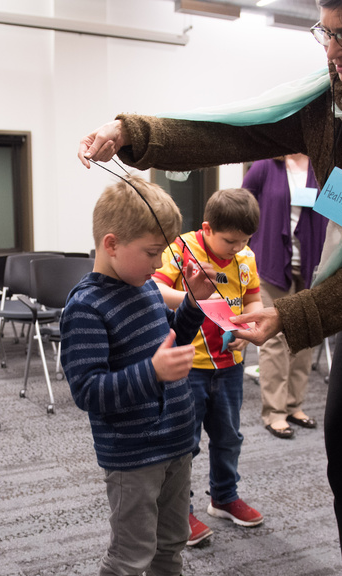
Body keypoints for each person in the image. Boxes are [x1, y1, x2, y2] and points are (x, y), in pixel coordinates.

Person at [77, 1, 342, 574]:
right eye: (326, 30)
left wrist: (290, 315)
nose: (334, 48)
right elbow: (225, 134)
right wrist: (131, 132)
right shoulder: (330, 94)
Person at [60, 176, 215, 576]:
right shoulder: (86, 307)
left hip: (177, 442)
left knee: (170, 545)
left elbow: (171, 339)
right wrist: (152, 373)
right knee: (131, 555)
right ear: (111, 244)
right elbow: (88, 392)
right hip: (134, 456)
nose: (160, 264)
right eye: (152, 252)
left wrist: (194, 304)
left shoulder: (144, 286)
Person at [152, 188, 264, 546]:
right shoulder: (182, 249)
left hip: (229, 364)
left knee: (229, 436)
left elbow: (253, 298)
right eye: (230, 240)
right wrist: (194, 299)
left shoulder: (245, 257)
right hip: (190, 363)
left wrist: (249, 329)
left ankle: (224, 496)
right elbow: (154, 289)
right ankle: (177, 509)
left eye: (244, 241)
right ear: (207, 227)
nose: (237, 248)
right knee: (185, 442)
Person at [241, 155, 327, 439]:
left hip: (312, 266)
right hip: (271, 265)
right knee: (274, 340)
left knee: (307, 334)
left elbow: (341, 211)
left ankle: (294, 405)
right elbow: (242, 209)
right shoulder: (265, 166)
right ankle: (275, 412)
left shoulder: (323, 164)